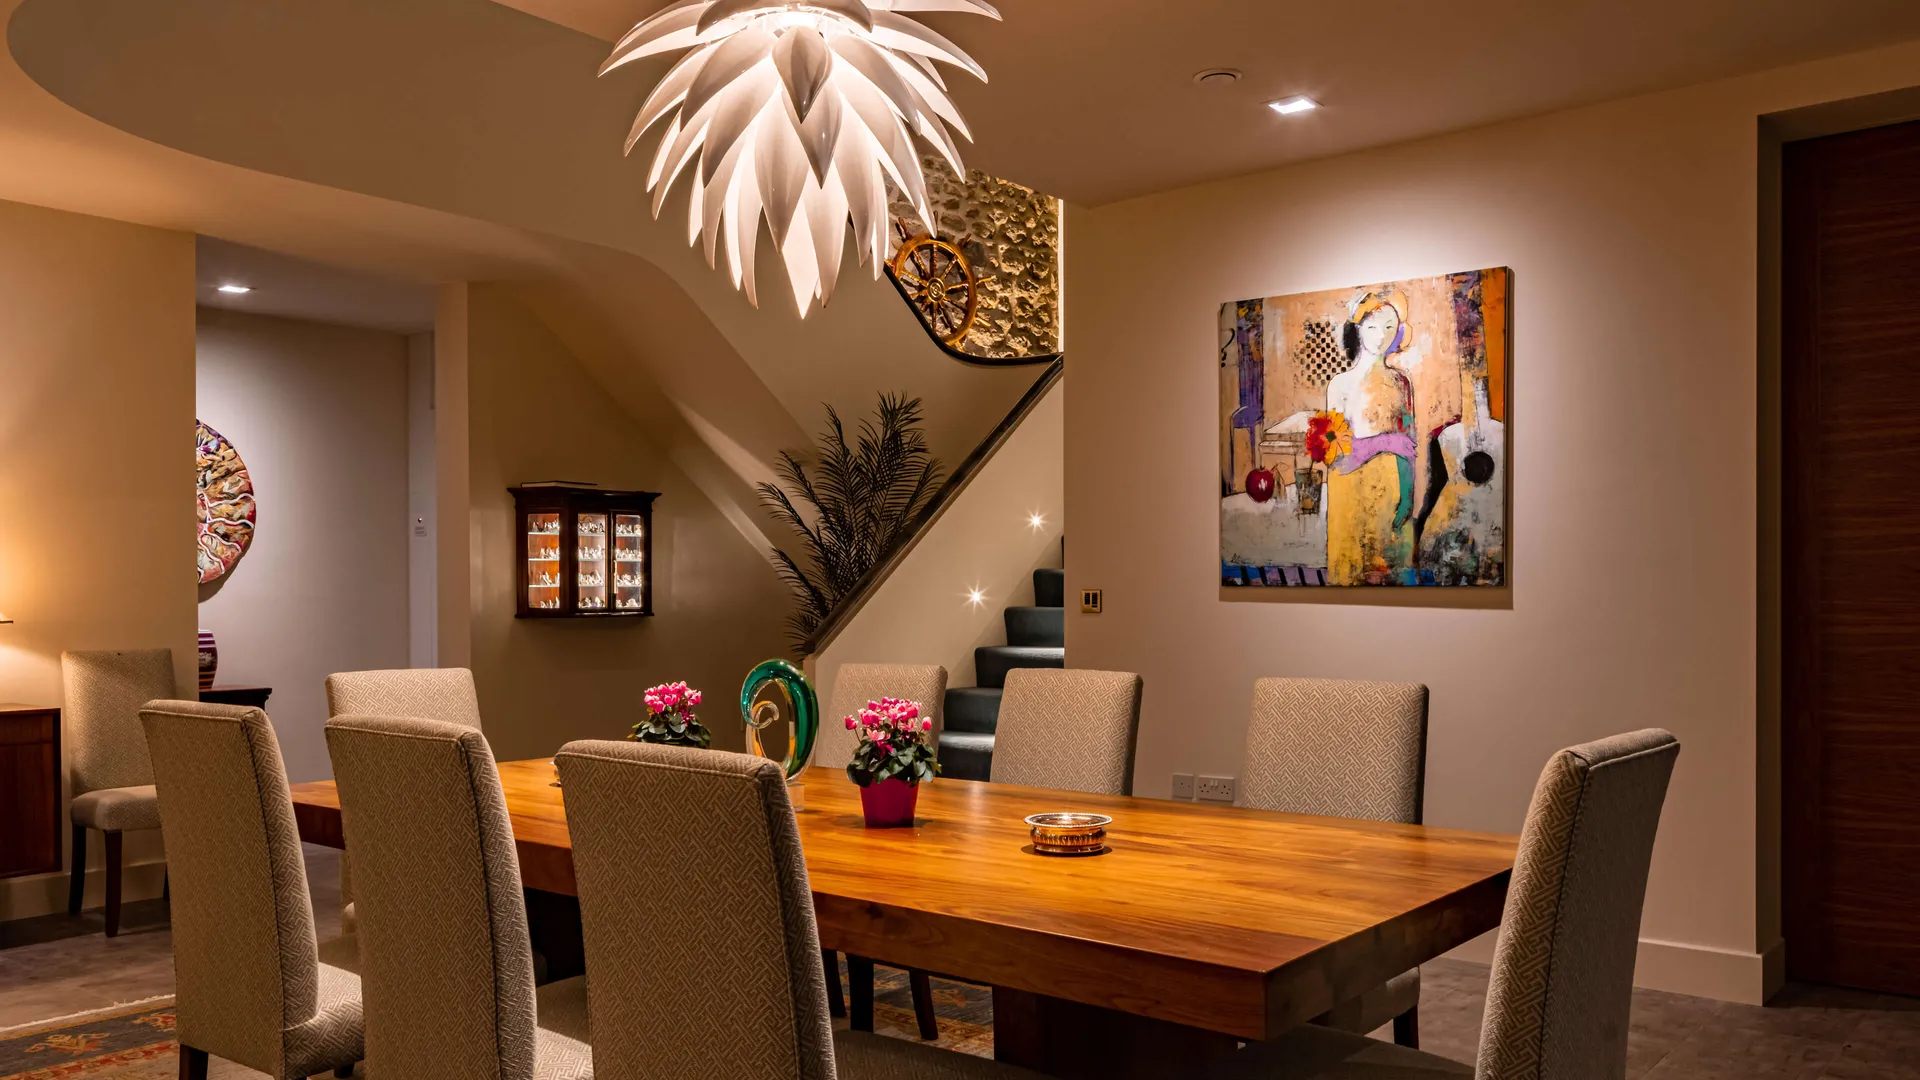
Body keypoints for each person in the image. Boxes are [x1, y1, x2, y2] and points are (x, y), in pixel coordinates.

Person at [1322, 289, 1417, 584]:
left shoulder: (1401, 382)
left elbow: (1409, 444)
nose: (1381, 336)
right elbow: (1336, 455)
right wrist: (1387, 442)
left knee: (1392, 572)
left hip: (1390, 488)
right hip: (1350, 492)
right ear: (1358, 329)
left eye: (1389, 327)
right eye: (1373, 327)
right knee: (1351, 572)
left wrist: (1409, 493)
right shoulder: (1339, 385)